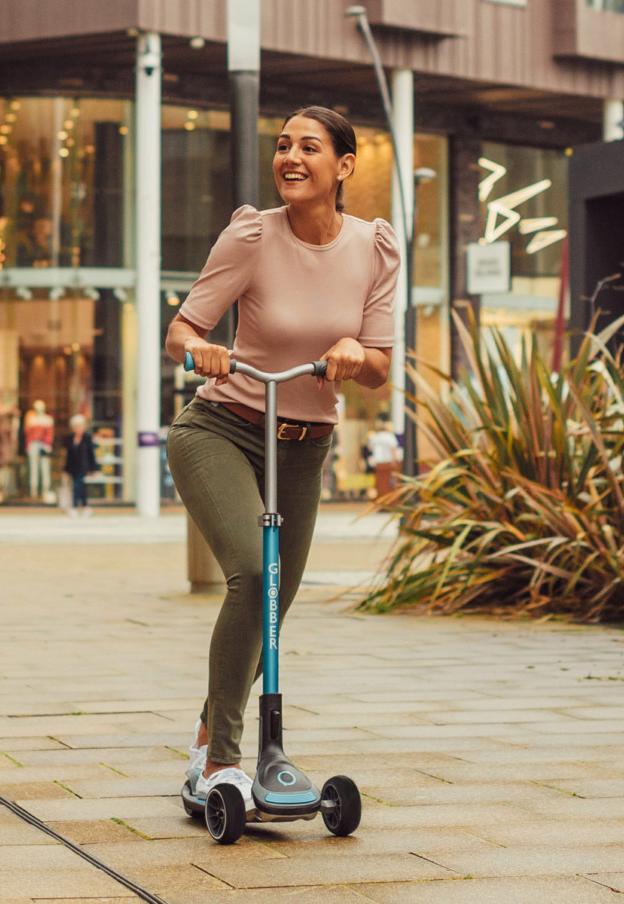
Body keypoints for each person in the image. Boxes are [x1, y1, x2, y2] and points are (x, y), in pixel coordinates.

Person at [163, 105, 399, 808]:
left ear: (345, 166)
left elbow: (383, 364)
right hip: (222, 428)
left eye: (309, 147)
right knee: (250, 576)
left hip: (305, 445)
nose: (290, 158)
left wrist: (358, 354)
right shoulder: (252, 235)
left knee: (277, 599)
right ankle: (221, 764)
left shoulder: (374, 246)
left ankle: (212, 733)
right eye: (283, 146)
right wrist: (199, 348)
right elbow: (183, 326)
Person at [62, 414, 98, 518]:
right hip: (73, 466)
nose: (78, 428)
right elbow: (68, 455)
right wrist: (65, 469)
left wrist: (94, 468)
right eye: (76, 426)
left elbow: (91, 453)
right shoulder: (70, 438)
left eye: (80, 425)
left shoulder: (87, 438)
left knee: (78, 486)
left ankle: (75, 506)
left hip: (84, 467)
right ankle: (85, 506)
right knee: (79, 487)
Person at [23, 399, 54, 502]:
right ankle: (34, 490)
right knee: (33, 467)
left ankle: (45, 490)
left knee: (45, 467)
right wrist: (28, 446)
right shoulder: (32, 420)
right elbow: (29, 435)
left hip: (43, 444)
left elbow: (50, 433)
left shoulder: (48, 419)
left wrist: (47, 444)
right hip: (33, 444)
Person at [367, 414, 402, 499]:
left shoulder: (375, 437)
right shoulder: (390, 437)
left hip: (378, 463)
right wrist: (394, 462)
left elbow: (370, 448)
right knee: (389, 484)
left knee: (380, 483)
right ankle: (389, 501)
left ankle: (381, 500)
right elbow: (393, 450)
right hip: (388, 463)